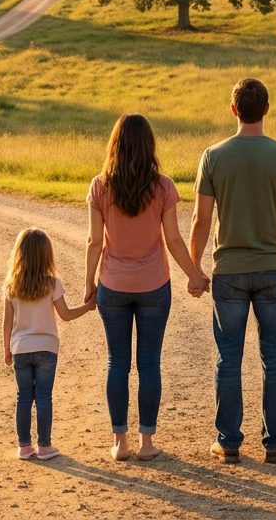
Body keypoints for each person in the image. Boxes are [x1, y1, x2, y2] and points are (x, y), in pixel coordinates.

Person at [191, 78, 276, 464]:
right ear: (267, 109)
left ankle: (228, 442)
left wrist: (195, 269)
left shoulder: (213, 157)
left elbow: (200, 220)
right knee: (274, 357)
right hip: (274, 269)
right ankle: (275, 443)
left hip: (229, 271)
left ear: (233, 109)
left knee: (229, 358)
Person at [85, 114, 210, 462]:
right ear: (149, 145)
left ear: (115, 146)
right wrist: (195, 275)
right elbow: (172, 239)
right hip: (155, 285)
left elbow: (95, 241)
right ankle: (146, 444)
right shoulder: (162, 186)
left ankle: (119, 443)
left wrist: (88, 283)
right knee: (149, 363)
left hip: (112, 284)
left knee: (117, 362)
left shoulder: (99, 186)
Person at [2, 228, 96, 461]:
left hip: (21, 348)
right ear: (47, 255)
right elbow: (65, 315)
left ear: (19, 254)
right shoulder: (52, 284)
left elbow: (7, 321)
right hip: (46, 348)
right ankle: (44, 447)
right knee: (43, 396)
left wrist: (7, 347)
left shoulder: (12, 285)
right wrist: (88, 306)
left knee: (24, 397)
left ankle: (24, 447)